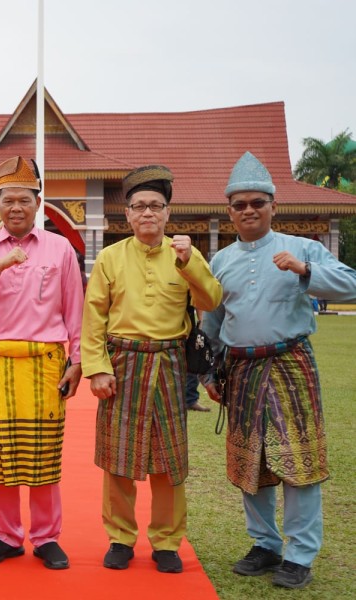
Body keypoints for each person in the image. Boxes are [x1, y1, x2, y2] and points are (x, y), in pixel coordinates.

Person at [201, 152, 356, 589]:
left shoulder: (303, 247)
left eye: (257, 202)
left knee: (297, 458)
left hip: (290, 362)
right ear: (229, 211)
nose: (248, 210)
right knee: (251, 459)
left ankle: (300, 555)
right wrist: (210, 373)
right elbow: (212, 321)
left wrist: (305, 269)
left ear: (273, 206)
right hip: (241, 369)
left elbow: (351, 282)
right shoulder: (221, 261)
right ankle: (264, 545)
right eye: (239, 204)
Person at [81, 165, 222, 574]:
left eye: (155, 206)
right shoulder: (110, 257)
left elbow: (211, 300)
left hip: (169, 364)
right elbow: (94, 317)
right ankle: (120, 538)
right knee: (118, 459)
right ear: (126, 214)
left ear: (166, 212)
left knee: (168, 460)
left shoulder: (186, 254)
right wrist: (97, 369)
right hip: (122, 363)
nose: (147, 213)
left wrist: (188, 262)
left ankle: (166, 542)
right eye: (139, 206)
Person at [0, 156, 83, 570]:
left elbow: (74, 309)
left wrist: (76, 360)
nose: (15, 208)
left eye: (24, 200)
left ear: (38, 203)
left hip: (44, 363)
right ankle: (6, 535)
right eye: (7, 200)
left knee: (43, 453)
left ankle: (46, 538)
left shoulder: (59, 248)